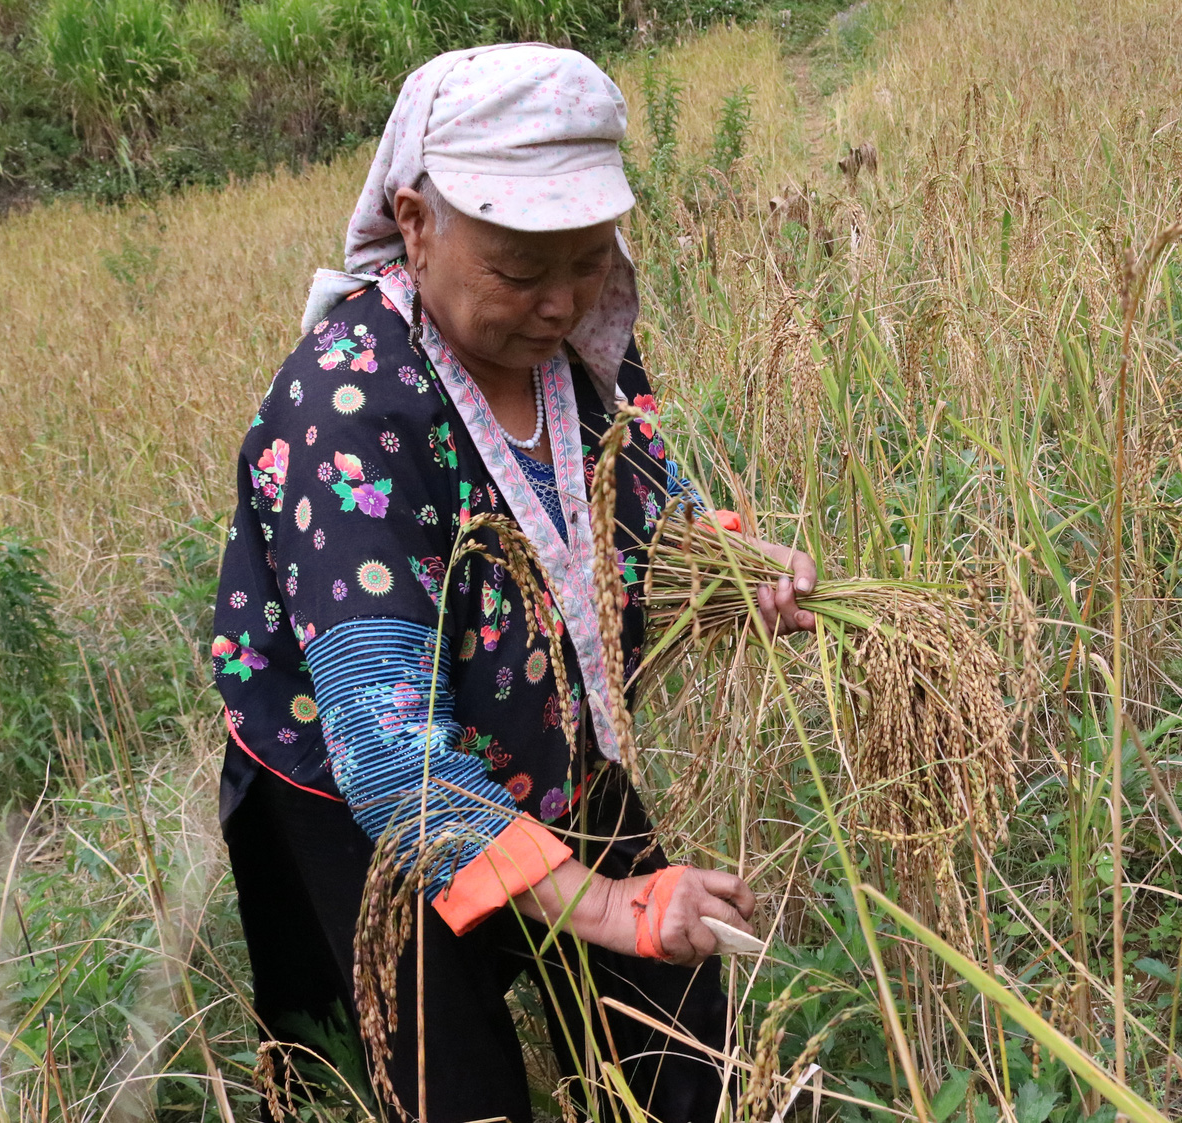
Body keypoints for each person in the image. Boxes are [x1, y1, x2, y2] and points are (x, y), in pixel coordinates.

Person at [208, 44, 818, 1122]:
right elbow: (393, 752)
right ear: (415, 221)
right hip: (366, 804)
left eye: (585, 259)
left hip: (542, 727)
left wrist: (728, 559)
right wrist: (613, 907)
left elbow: (632, 494)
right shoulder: (346, 412)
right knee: (457, 1089)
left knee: (683, 1041)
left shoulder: (576, 348)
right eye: (521, 270)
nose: (559, 302)